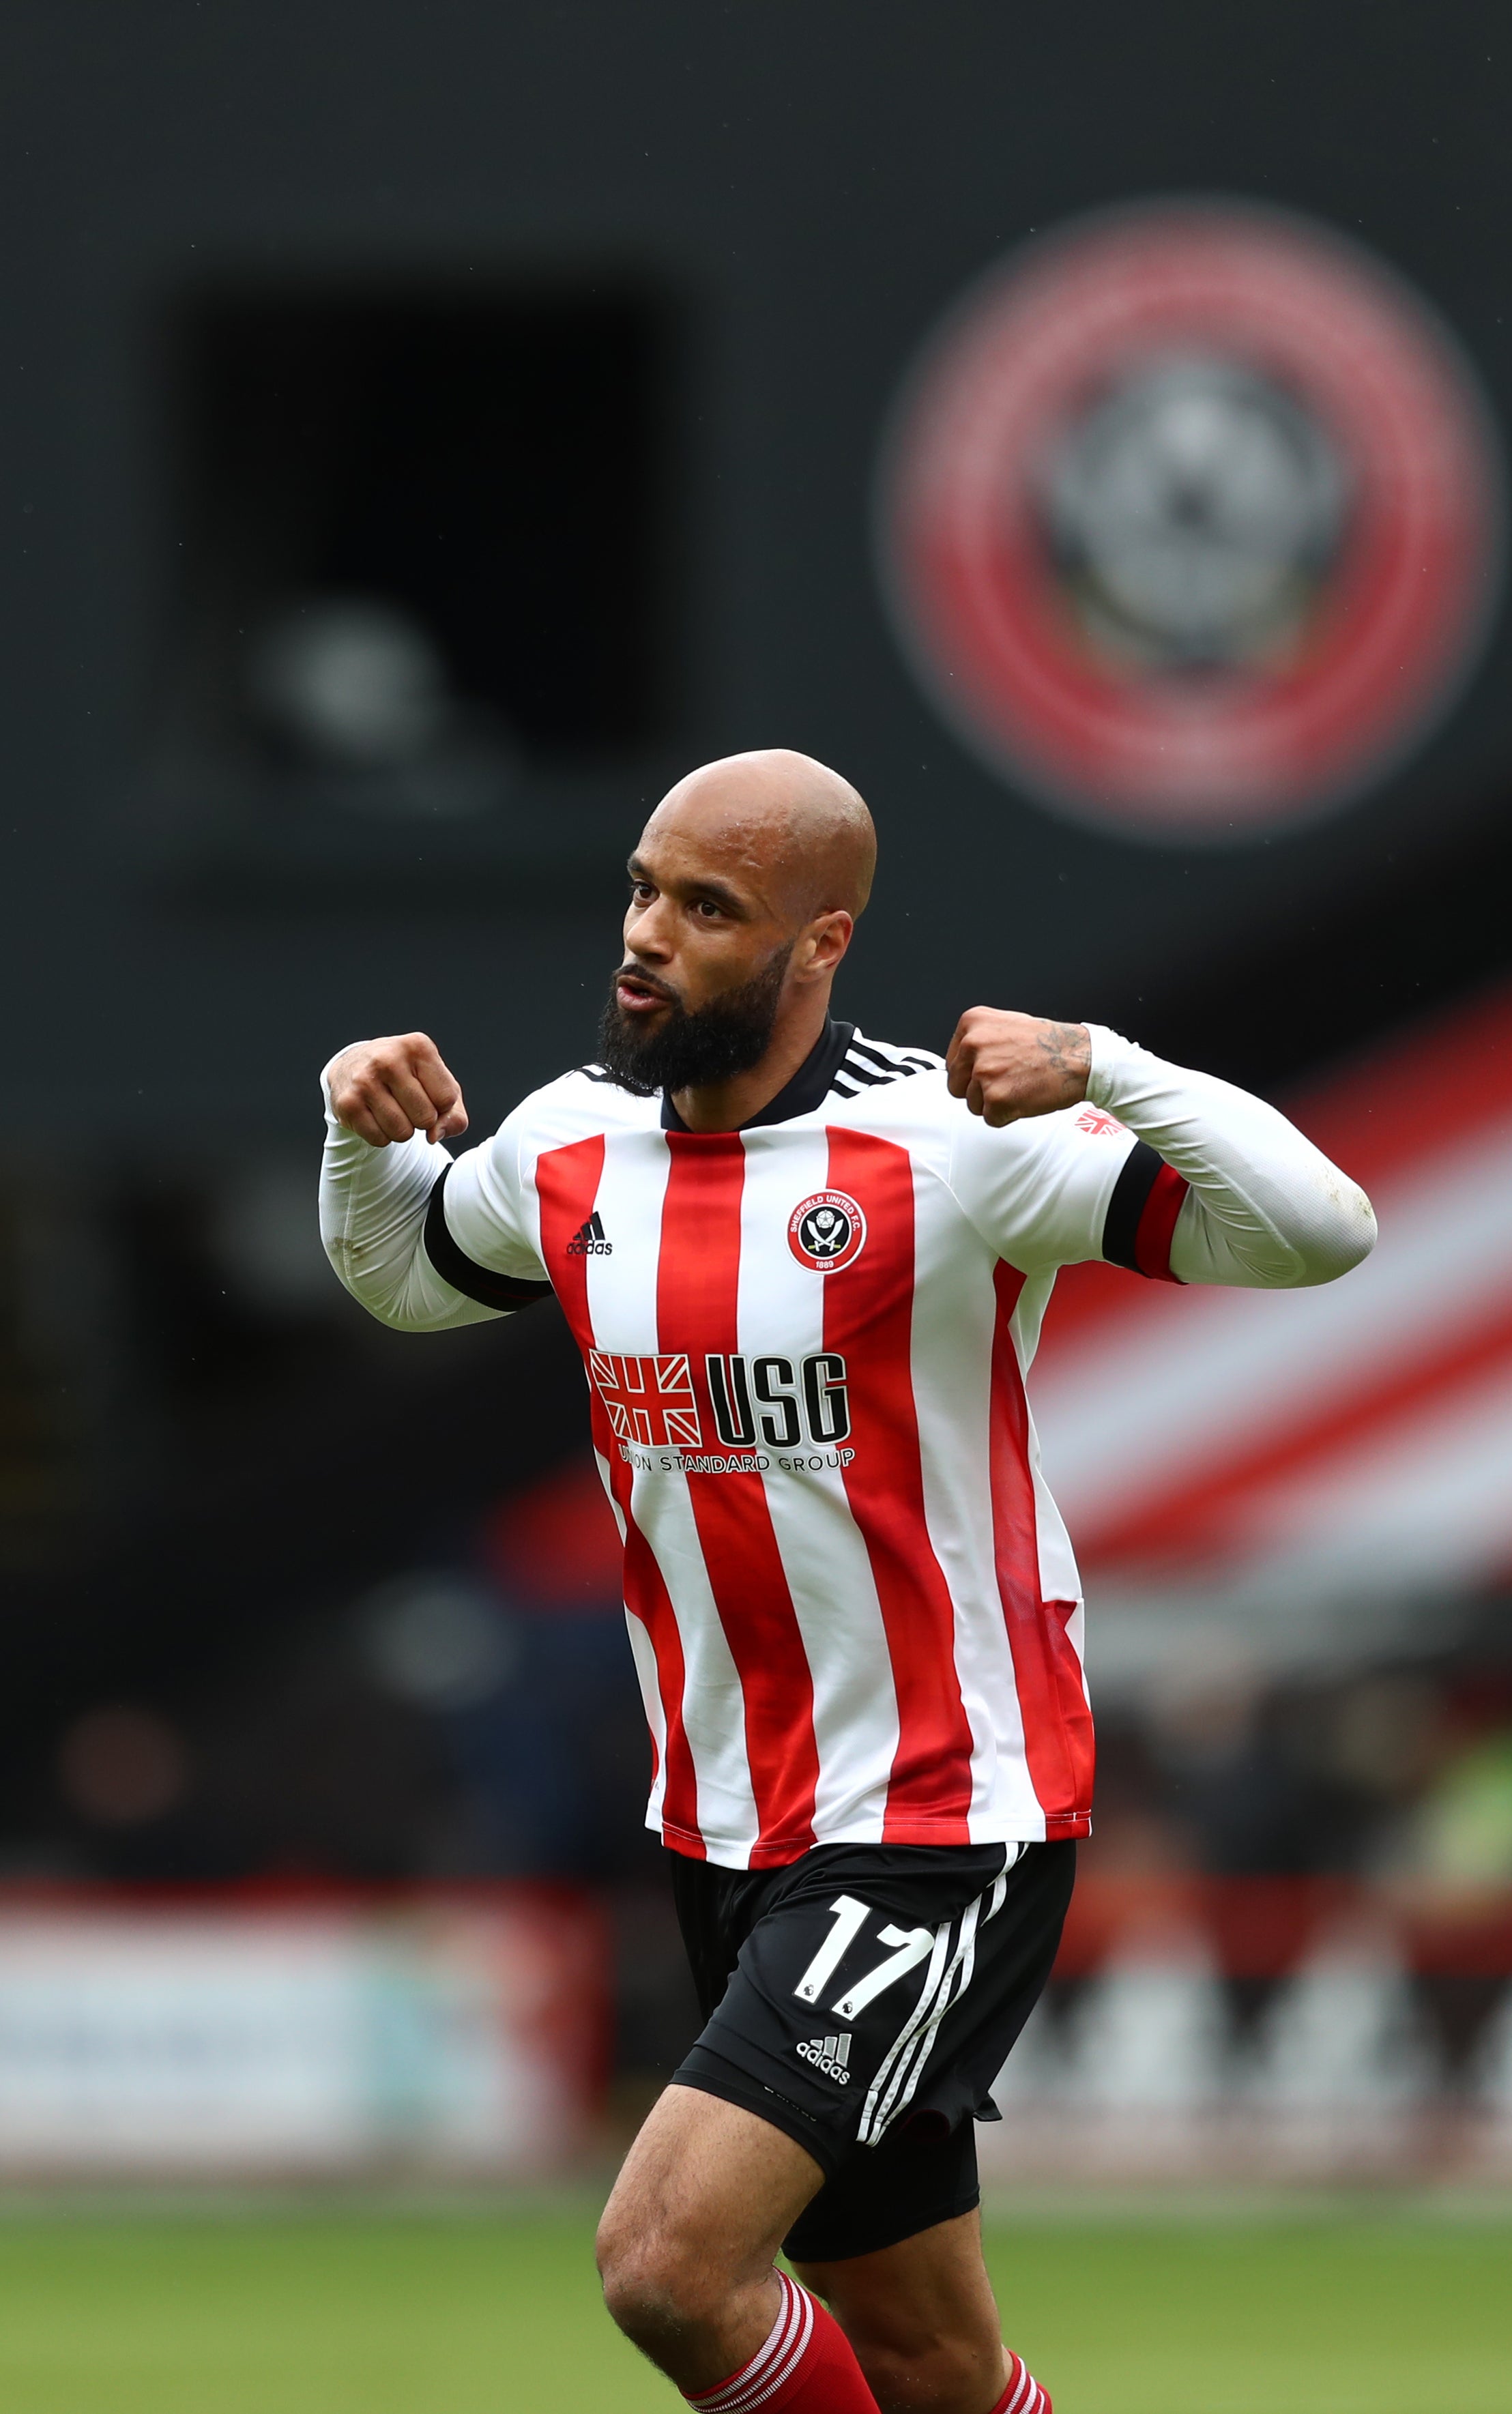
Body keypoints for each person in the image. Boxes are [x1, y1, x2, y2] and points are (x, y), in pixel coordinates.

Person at [319, 749, 1375, 2414]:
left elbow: (1321, 1227)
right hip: (729, 1822)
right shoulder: (574, 1141)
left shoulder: (951, 1143)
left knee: (668, 2262)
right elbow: (408, 1279)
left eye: (708, 908)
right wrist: (349, 1133)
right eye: (644, 889)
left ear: (823, 943)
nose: (648, 936)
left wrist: (1104, 1063)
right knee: (930, 2359)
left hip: (941, 1811)